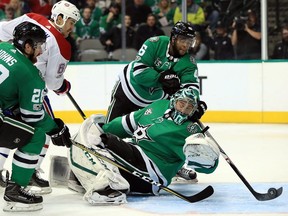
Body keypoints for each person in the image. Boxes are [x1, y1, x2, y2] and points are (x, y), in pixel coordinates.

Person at [68, 87, 219, 204]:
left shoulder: (190, 130)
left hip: (152, 174)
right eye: (182, 104)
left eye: (189, 107)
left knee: (107, 142)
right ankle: (79, 175)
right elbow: (126, 123)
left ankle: (109, 189)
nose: (184, 109)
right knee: (101, 141)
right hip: (135, 155)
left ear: (194, 110)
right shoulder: (159, 106)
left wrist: (208, 160)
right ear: (174, 100)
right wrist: (104, 129)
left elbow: (206, 162)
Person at [0, 0, 80, 194]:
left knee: (9, 128)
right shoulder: (62, 44)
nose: (72, 27)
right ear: (60, 18)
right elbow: (53, 82)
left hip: (8, 87)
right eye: (71, 22)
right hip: (29, 89)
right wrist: (64, 86)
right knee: (40, 132)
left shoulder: (32, 18)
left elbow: (3, 32)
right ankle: (31, 172)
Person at [105, 21, 202, 123]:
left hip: (152, 103)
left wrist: (195, 103)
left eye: (189, 42)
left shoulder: (189, 63)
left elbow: (191, 87)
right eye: (183, 40)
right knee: (110, 130)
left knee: (142, 135)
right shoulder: (155, 43)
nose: (185, 45)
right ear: (173, 38)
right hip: (128, 89)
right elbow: (139, 71)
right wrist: (161, 78)